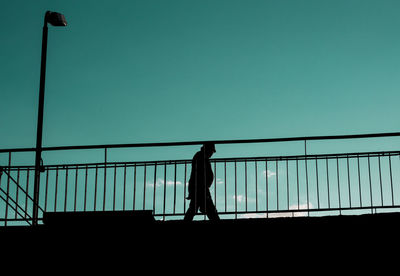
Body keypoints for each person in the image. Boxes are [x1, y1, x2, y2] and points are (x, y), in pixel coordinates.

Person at [184, 142, 220, 221]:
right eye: (211, 151)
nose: (212, 154)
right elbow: (198, 174)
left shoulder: (200, 156)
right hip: (200, 187)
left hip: (199, 187)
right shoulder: (201, 157)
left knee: (194, 207)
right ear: (208, 150)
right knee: (209, 209)